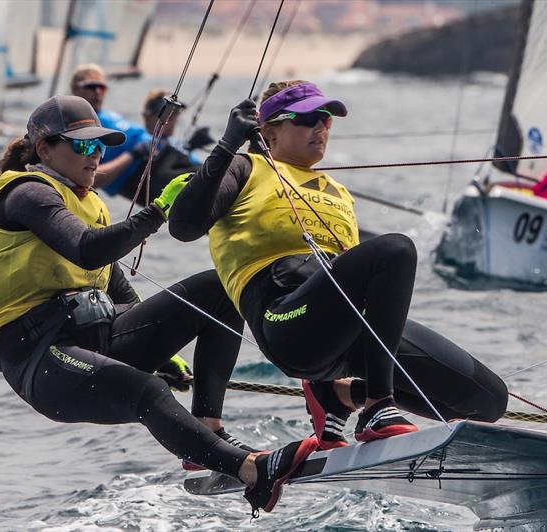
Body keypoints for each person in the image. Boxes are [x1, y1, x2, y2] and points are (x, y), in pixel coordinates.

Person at [0, 94, 318, 515]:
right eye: (83, 145)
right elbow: (88, 250)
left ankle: (208, 432)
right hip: (42, 359)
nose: (95, 156)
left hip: (95, 338)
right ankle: (249, 471)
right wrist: (159, 209)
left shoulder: (85, 200)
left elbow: (116, 286)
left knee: (222, 288)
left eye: (102, 145)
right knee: (148, 391)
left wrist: (163, 352)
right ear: (43, 149)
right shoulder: (27, 194)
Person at [167, 81, 509, 451]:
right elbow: (184, 227)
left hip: (344, 328)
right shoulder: (243, 167)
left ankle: (342, 396)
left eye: (326, 120)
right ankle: (379, 406)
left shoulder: (337, 190)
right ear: (270, 131)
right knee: (396, 249)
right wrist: (227, 144)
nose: (321, 128)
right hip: (284, 320)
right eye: (308, 119)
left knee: (487, 401)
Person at [96, 88, 209, 200]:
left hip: (195, 177)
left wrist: (191, 146)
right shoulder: (136, 138)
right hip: (143, 177)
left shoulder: (168, 142)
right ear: (147, 116)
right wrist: (132, 155)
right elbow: (89, 179)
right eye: (168, 113)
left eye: (176, 113)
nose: (173, 119)